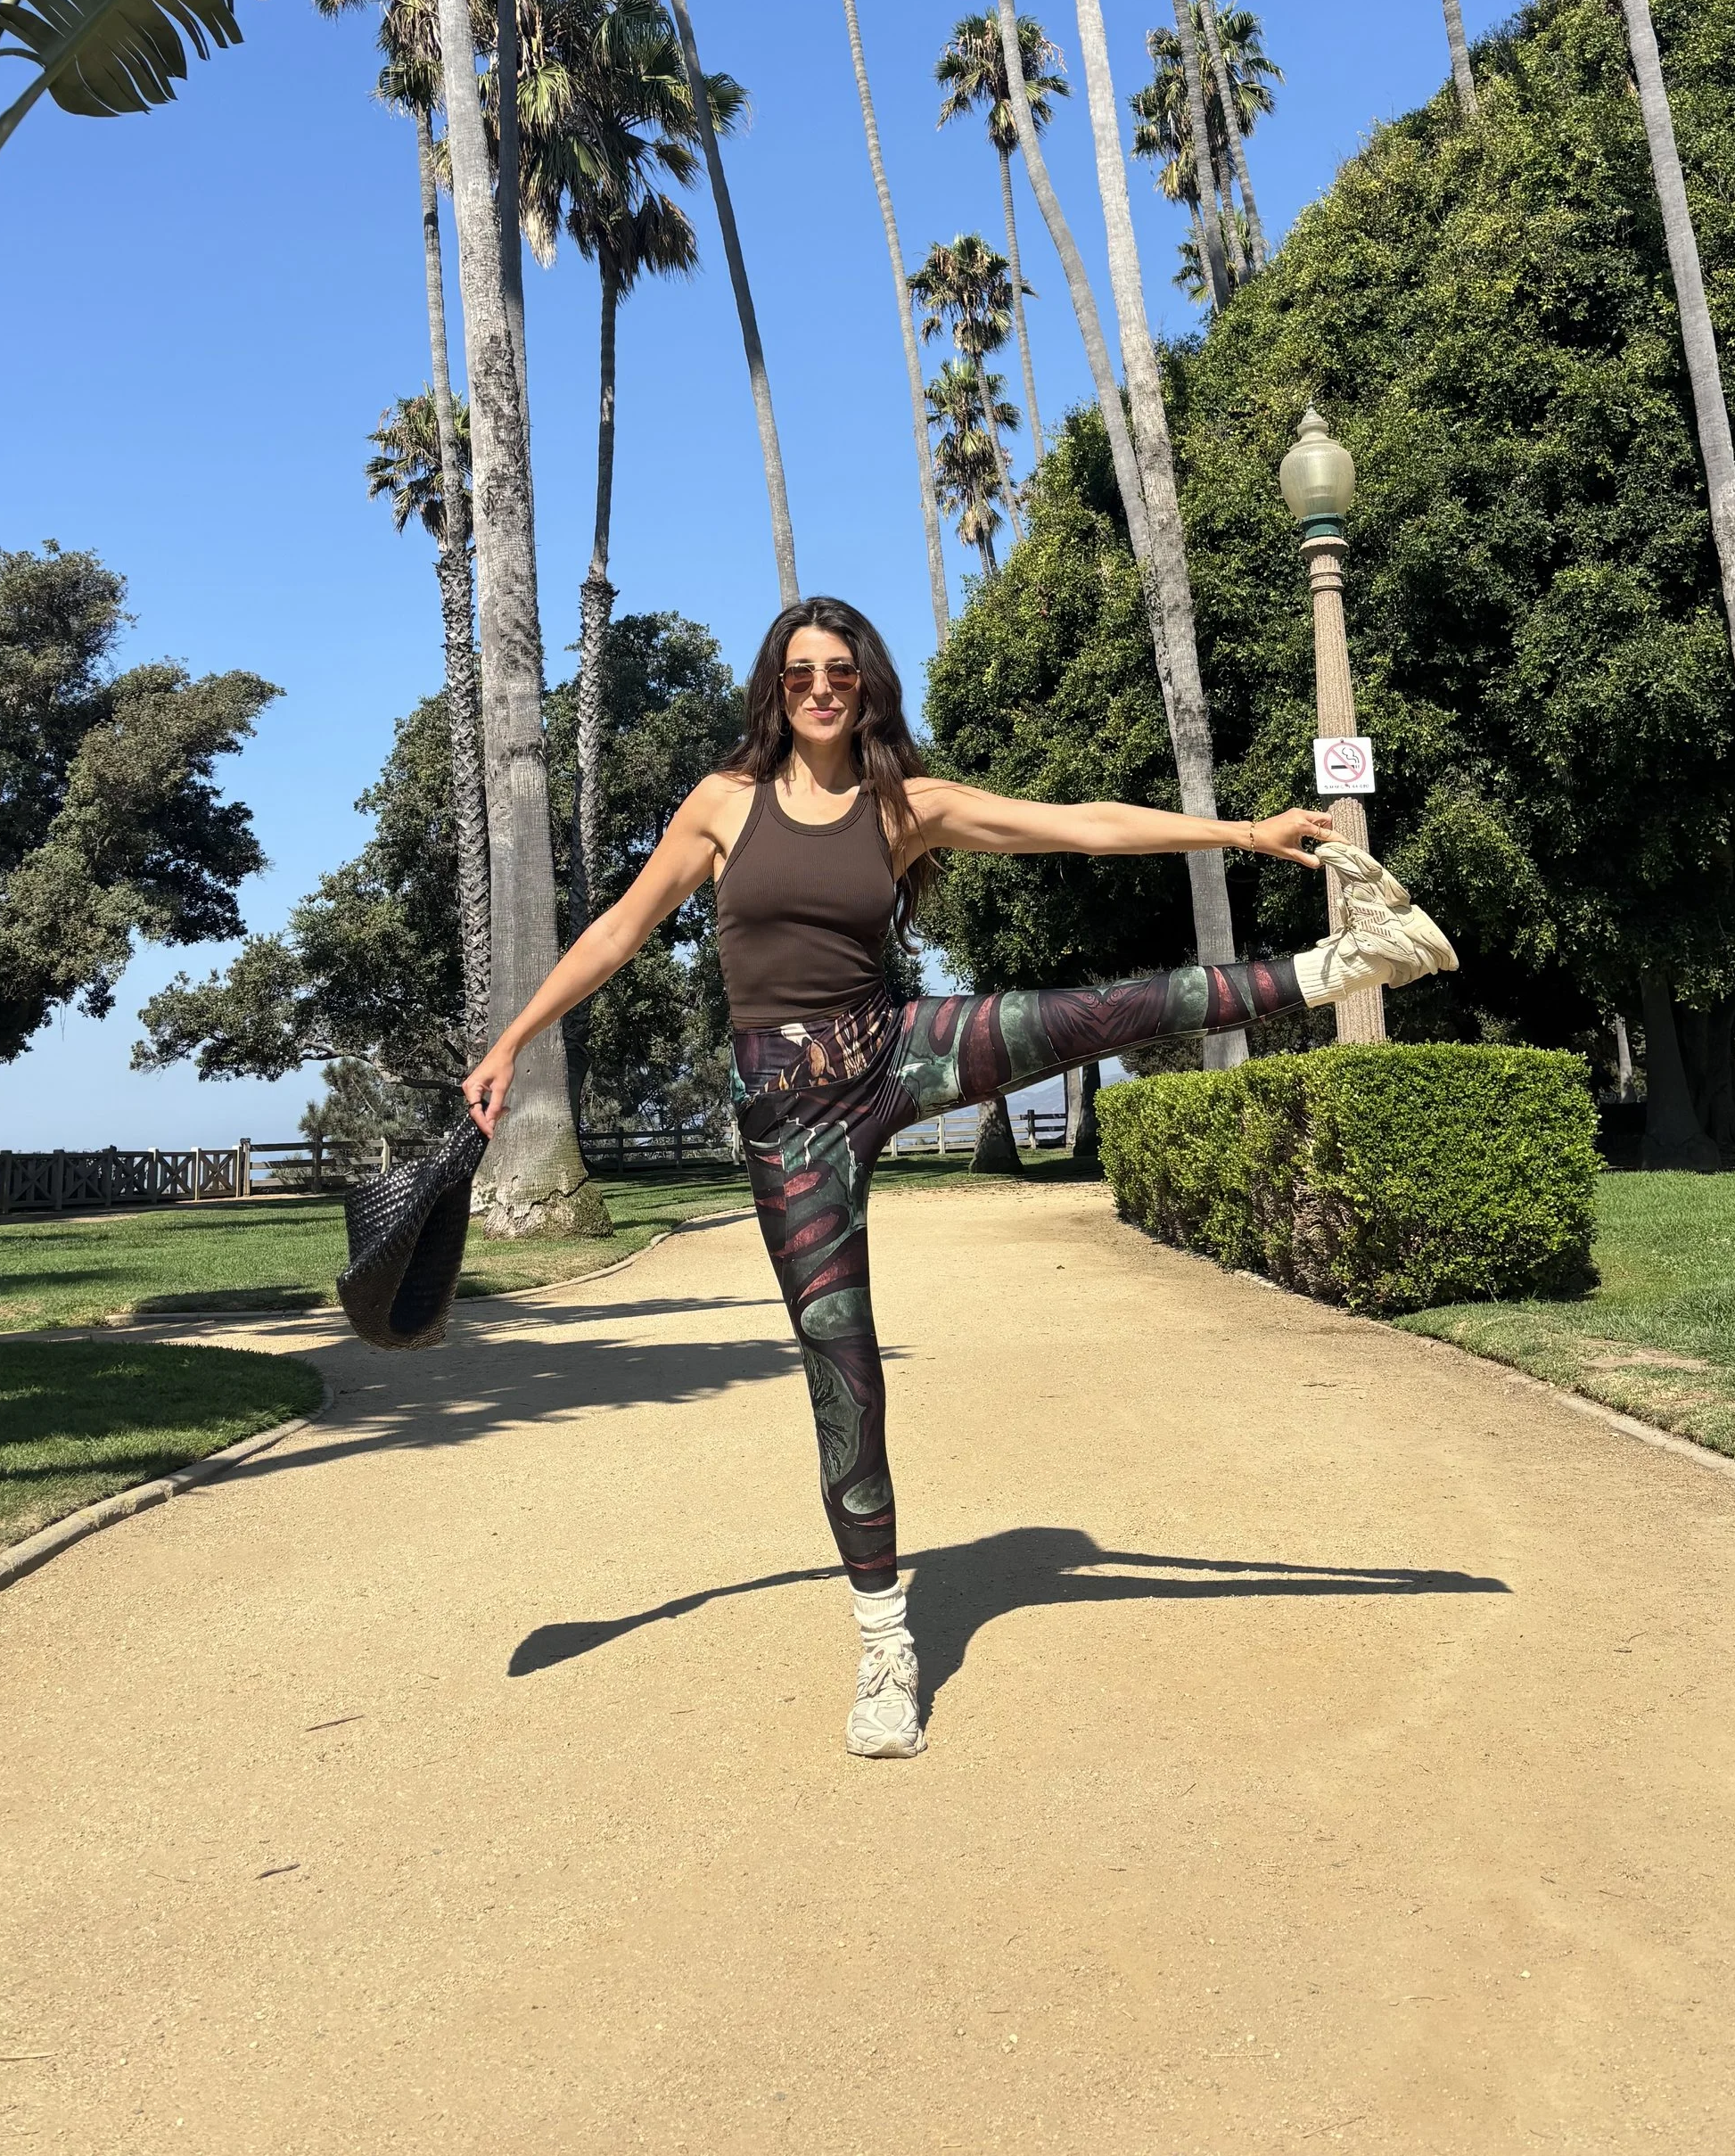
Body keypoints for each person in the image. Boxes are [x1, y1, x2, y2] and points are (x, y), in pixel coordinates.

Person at [463, 595, 1456, 1761]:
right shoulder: (723, 807)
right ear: (774, 693)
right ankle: (886, 1644)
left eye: (840, 671)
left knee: (1088, 1013)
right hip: (786, 1120)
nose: (821, 688)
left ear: (866, 683)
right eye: (799, 675)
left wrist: (1242, 834)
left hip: (894, 1049)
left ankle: (1349, 960)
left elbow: (1074, 827)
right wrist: (514, 1037)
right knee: (844, 1368)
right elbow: (619, 933)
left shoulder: (905, 807)